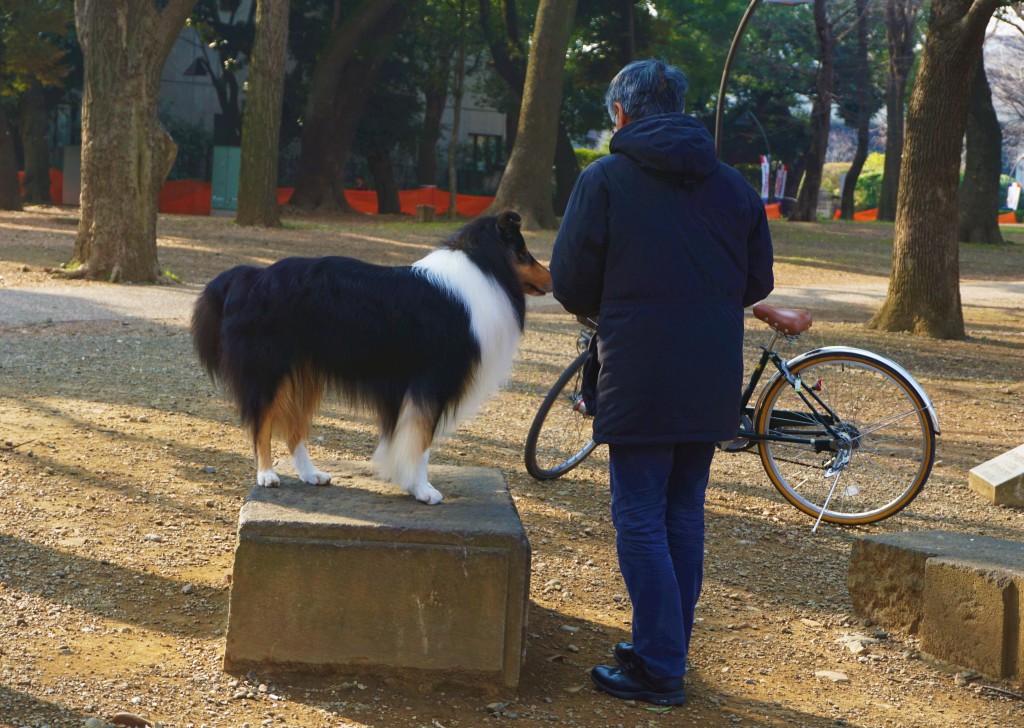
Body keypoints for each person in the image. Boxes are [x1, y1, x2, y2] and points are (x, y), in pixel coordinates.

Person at [550, 59, 774, 706]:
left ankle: (658, 666)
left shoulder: (606, 180)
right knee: (682, 510)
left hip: (639, 369)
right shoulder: (732, 186)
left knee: (640, 514)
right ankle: (664, 642)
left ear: (621, 113)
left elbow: (569, 281)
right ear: (680, 106)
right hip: (709, 372)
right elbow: (756, 282)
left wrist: (615, 303)